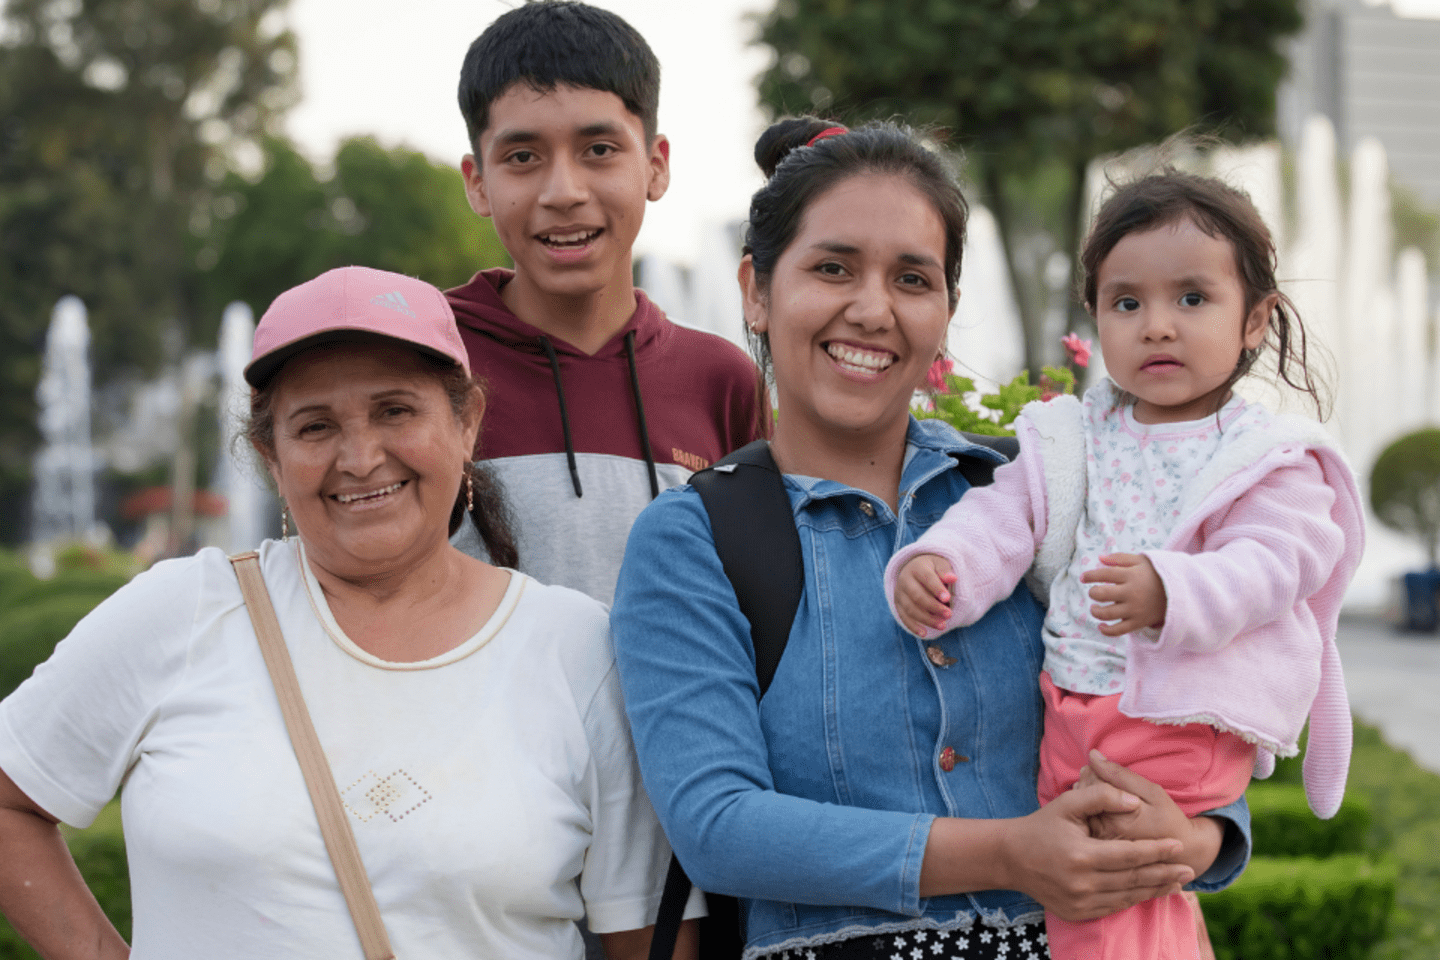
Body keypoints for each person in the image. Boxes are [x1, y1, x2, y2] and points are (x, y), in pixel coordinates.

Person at [610, 120, 1253, 960]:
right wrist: (1013, 851)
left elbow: (1181, 705)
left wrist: (1195, 839)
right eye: (832, 268)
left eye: (912, 279)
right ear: (757, 291)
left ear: (946, 312)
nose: (871, 309)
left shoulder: (1040, 493)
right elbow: (720, 826)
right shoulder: (697, 539)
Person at [0, 266, 696, 960]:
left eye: (396, 410)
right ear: (271, 456)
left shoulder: (577, 650)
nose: (360, 458)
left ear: (466, 423)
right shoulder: (181, 613)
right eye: (315, 426)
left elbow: (645, 940)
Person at [887, 170, 1363, 959]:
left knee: (1108, 881)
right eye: (1127, 303)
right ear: (1096, 314)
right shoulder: (1072, 435)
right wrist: (943, 565)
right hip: (1072, 708)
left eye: (1192, 299)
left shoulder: (1265, 457)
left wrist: (1175, 590)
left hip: (1177, 708)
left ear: (1256, 320)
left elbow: (1280, 563)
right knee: (1112, 894)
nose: (1158, 327)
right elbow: (1002, 519)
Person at [447, 0, 766, 605]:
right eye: (522, 157)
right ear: (477, 182)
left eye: (599, 150)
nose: (564, 192)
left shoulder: (722, 382)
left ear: (655, 165)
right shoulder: (428, 364)